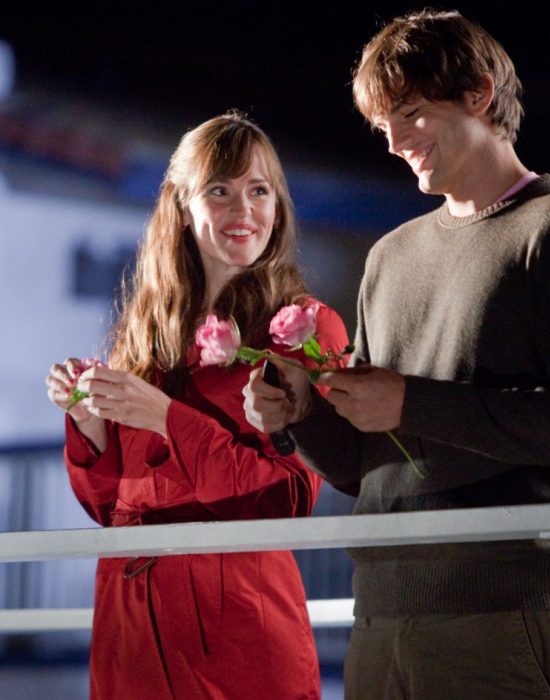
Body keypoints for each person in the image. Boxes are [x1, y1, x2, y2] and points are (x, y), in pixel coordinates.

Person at [243, 10, 550, 700]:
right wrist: (302, 413)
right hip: (380, 617)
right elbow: (373, 467)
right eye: (382, 126)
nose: (394, 142)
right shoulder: (391, 256)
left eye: (412, 113)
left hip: (502, 617)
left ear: (479, 94)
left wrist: (410, 400)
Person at [45, 111, 349, 700]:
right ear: (181, 206)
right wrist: (89, 425)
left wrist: (164, 417)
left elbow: (287, 500)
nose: (245, 210)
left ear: (279, 206)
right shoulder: (145, 335)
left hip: (237, 631)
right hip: (128, 633)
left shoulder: (302, 329)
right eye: (220, 191)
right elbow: (112, 511)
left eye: (259, 190)